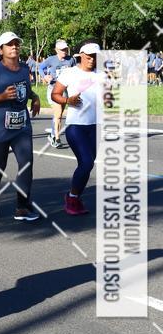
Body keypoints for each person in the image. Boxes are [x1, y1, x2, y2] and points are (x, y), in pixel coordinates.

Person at [0, 31, 41, 221]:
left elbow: (26, 91)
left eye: (16, 43)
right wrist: (1, 97)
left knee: (26, 164)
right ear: (1, 50)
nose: (14, 46)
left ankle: (22, 207)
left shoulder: (23, 69)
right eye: (9, 44)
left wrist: (35, 97)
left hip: (21, 126)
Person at [51, 40, 102, 216]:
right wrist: (68, 100)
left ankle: (75, 196)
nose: (92, 60)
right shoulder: (69, 73)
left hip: (96, 126)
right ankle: (72, 198)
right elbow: (55, 94)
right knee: (87, 162)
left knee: (87, 165)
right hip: (76, 126)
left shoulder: (101, 74)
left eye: (95, 57)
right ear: (81, 55)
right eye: (89, 57)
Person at [39, 40, 76, 148]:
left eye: (65, 49)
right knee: (58, 114)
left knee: (57, 115)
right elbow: (41, 68)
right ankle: (56, 138)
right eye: (62, 49)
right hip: (53, 89)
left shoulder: (71, 60)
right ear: (56, 50)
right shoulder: (51, 60)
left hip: (65, 90)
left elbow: (75, 71)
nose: (64, 51)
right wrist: (45, 76)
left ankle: (52, 134)